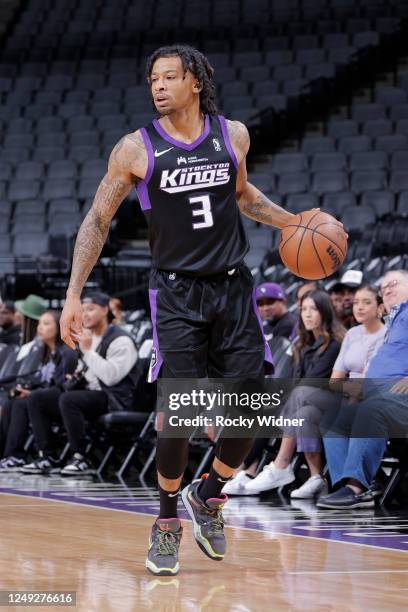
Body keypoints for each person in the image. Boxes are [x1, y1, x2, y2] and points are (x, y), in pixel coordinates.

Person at [59, 44, 331, 577]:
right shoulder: (134, 149)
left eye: (168, 77)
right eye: (152, 79)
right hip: (177, 294)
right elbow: (97, 220)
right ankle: (165, 525)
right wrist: (73, 294)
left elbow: (244, 195)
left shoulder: (233, 135)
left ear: (195, 83)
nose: (157, 86)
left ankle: (209, 493)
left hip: (234, 288)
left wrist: (293, 221)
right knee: (178, 417)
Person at [318, 270, 408, 509]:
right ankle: (346, 485)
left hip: (399, 398)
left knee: (372, 409)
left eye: (394, 284)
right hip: (381, 395)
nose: (386, 289)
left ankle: (356, 489)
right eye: (383, 287)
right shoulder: (395, 320)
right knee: (333, 418)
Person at [242, 290, 344, 498]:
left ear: (324, 312)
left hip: (337, 402)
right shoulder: (303, 344)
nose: (307, 314)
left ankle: (280, 464)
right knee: (302, 413)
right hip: (307, 405)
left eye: (313, 309)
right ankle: (317, 478)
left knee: (296, 394)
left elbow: (312, 381)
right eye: (303, 309)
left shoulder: (335, 343)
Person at [24, 292, 138, 476]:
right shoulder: (89, 337)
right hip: (89, 394)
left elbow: (111, 377)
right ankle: (47, 456)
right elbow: (86, 372)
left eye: (90, 309)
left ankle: (81, 458)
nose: (84, 315)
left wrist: (87, 351)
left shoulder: (121, 340)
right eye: (82, 310)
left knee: (70, 399)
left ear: (104, 310)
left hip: (114, 398)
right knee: (38, 398)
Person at [0, 311, 78, 471]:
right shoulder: (46, 353)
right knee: (13, 402)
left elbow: (62, 385)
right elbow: (41, 381)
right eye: (40, 323)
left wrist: (34, 392)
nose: (40, 327)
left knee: (29, 400)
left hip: (65, 402)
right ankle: (10, 455)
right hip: (43, 398)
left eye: (47, 323)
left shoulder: (67, 352)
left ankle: (46, 455)